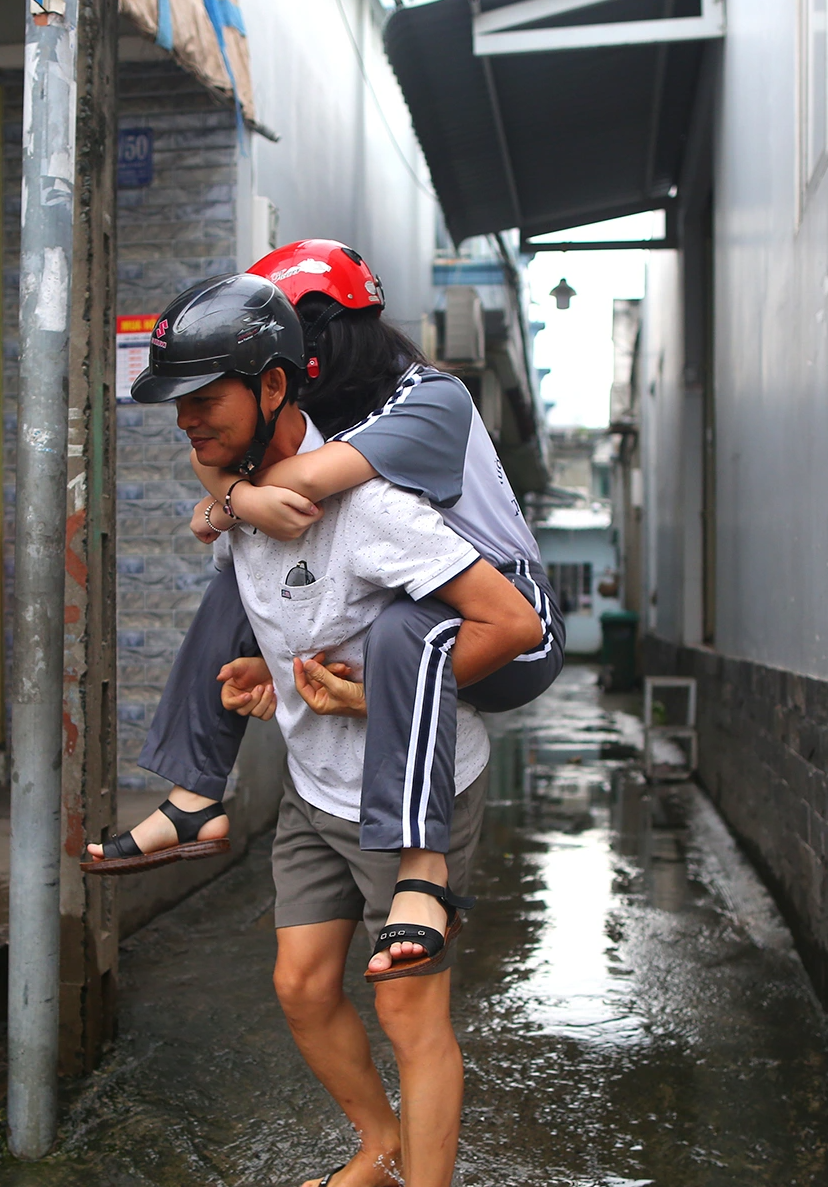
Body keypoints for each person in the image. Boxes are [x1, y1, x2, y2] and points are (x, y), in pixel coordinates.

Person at [125, 273, 542, 1187]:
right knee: (303, 985)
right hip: (315, 789)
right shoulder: (247, 508)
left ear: (271, 387)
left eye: (203, 398)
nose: (186, 419)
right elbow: (308, 618)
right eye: (173, 401)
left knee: (411, 1015)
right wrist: (273, 681)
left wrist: (378, 703)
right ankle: (379, 1146)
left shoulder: (371, 505)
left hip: (416, 792)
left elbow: (508, 625)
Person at [86, 241, 561, 980]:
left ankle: (420, 869)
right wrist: (238, 502)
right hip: (421, 599)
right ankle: (193, 797)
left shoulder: (429, 397)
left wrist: (233, 502)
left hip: (509, 622)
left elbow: (297, 481)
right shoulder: (327, 408)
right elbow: (222, 468)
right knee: (237, 579)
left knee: (403, 626)